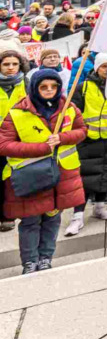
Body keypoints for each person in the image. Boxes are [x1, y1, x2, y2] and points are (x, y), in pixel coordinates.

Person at [0, 68, 87, 273]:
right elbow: (4, 145)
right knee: (30, 221)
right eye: (43, 86)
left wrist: (63, 138)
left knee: (52, 219)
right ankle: (30, 262)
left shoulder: (69, 108)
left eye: (53, 86)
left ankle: (46, 258)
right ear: (34, 88)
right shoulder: (17, 113)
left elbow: (82, 130)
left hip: (61, 175)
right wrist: (41, 147)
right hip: (31, 177)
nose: (49, 90)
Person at [64, 53, 107, 236]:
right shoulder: (83, 88)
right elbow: (73, 112)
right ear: (96, 68)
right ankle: (77, 216)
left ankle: (99, 207)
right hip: (90, 140)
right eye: (103, 66)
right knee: (86, 178)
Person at [0, 48, 30, 233]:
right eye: (6, 64)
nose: (10, 68)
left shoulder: (27, 84)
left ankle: (10, 214)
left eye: (14, 64)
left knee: (13, 179)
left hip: (19, 140)